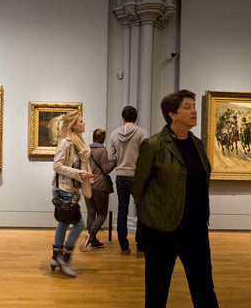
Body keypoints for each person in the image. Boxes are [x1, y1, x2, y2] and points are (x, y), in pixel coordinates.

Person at [133, 90, 219, 307]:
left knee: (204, 288)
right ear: (172, 113)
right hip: (162, 230)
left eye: (193, 106)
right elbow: (139, 187)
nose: (194, 111)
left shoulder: (197, 144)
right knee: (157, 289)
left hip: (196, 228)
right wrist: (151, 219)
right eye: (187, 107)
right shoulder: (153, 145)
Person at [50, 111, 95, 277]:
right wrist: (79, 174)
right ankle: (65, 259)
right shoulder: (66, 143)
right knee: (79, 224)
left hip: (70, 188)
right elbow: (58, 166)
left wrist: (78, 186)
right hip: (63, 188)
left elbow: (75, 166)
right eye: (81, 122)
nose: (84, 124)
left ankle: (56, 257)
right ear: (73, 125)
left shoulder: (78, 142)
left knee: (63, 223)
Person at [108, 106, 148, 257]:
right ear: (136, 118)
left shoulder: (114, 134)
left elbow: (111, 158)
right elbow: (146, 154)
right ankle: (140, 248)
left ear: (122, 118)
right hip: (137, 176)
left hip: (120, 175)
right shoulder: (142, 133)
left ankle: (124, 247)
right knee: (141, 212)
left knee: (122, 211)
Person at [80, 129, 114, 251]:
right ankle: (91, 234)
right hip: (100, 186)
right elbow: (106, 170)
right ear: (103, 139)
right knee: (101, 214)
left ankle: (93, 241)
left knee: (91, 213)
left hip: (88, 184)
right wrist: (114, 163)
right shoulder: (103, 151)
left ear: (93, 138)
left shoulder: (86, 150)